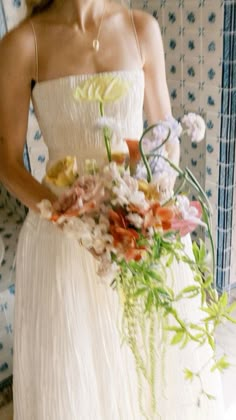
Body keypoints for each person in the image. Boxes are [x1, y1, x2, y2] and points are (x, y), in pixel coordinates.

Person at [0, 1, 225, 419]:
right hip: (62, 236)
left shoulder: (143, 28)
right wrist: (62, 215)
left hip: (139, 225)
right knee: (78, 367)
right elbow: (6, 159)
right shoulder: (22, 42)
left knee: (150, 363)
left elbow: (164, 134)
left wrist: (151, 199)